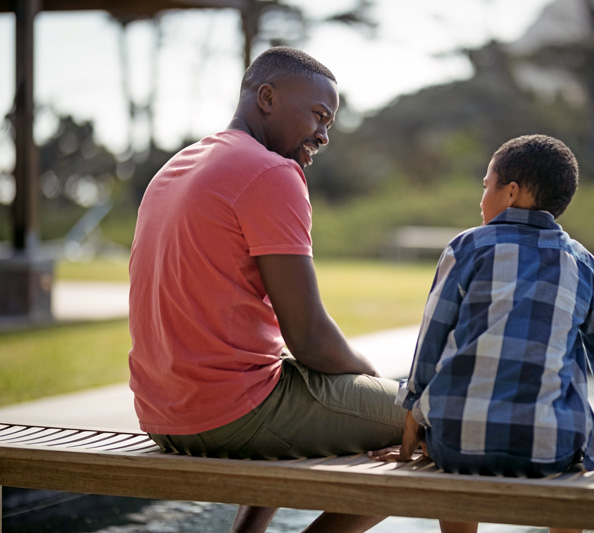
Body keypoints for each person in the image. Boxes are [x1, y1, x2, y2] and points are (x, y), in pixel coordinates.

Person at [128, 47, 405, 533]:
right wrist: (378, 385)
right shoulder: (272, 173)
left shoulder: (178, 166)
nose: (323, 134)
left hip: (161, 412)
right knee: (436, 422)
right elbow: (310, 337)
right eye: (318, 115)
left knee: (293, 384)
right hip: (228, 414)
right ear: (268, 97)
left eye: (330, 123)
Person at [369, 134, 594, 533]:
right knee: (573, 456)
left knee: (457, 461)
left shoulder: (466, 248)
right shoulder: (580, 261)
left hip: (456, 444)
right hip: (550, 447)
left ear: (511, 192)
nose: (481, 198)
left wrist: (411, 436)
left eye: (486, 186)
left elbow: (430, 344)